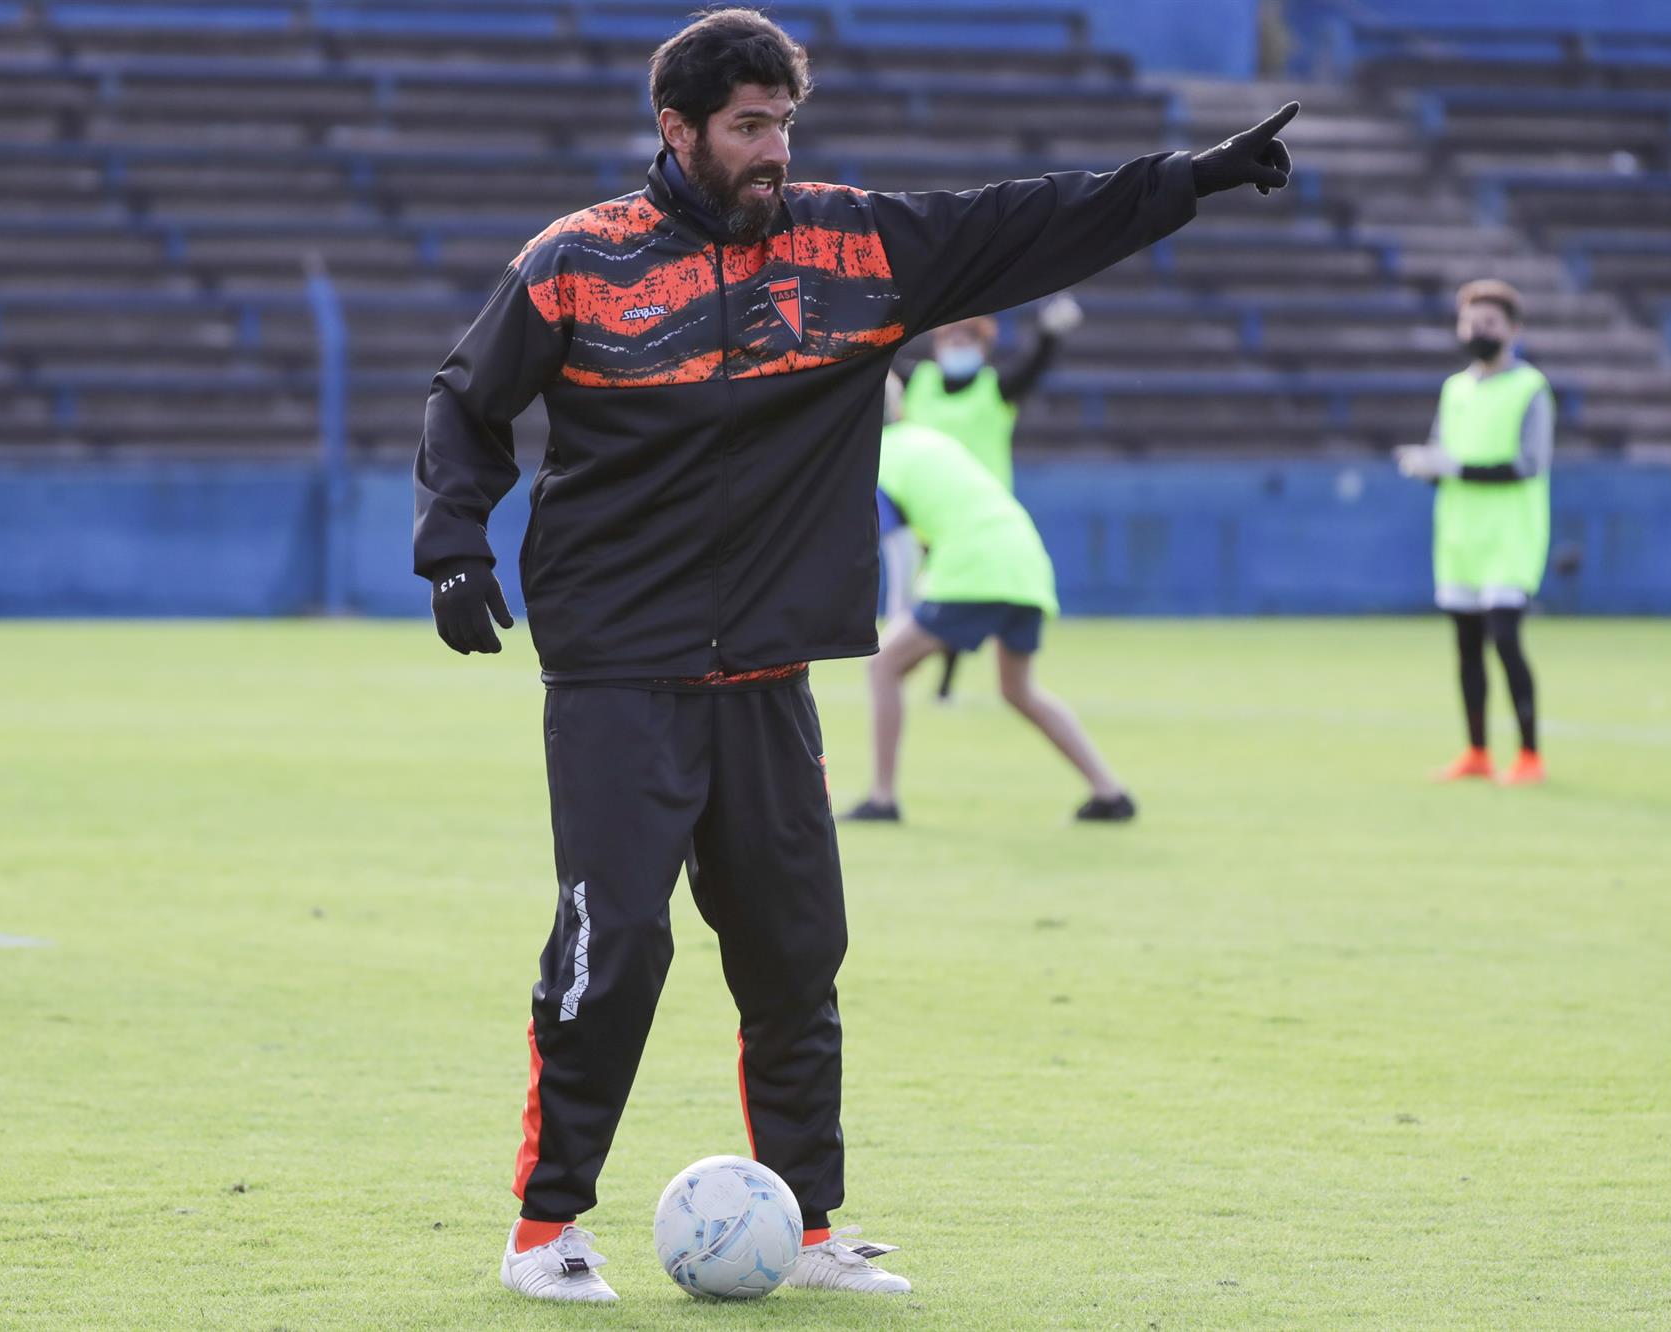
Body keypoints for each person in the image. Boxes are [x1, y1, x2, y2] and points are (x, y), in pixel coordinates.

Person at [412, 6, 1299, 1305]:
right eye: (748, 126)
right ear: (679, 130)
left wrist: (1191, 181)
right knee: (618, 944)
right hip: (616, 669)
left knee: (793, 952)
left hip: (768, 670)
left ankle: (809, 1229)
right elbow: (466, 398)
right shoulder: (577, 263)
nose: (774, 149)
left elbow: (1022, 223)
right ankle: (546, 1231)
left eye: (785, 122)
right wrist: (452, 545)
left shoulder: (855, 244)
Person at [846, 375, 1134, 824]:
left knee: (884, 667)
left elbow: (898, 546)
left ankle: (883, 798)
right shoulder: (927, 440)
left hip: (975, 569)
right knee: (1018, 689)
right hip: (1024, 563)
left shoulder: (881, 459)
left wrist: (898, 617)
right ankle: (1110, 793)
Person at [1395, 278, 1553, 786]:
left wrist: (1454, 467)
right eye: (1470, 323)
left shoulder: (1530, 389)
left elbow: (1528, 465)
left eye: (1489, 324)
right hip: (1460, 536)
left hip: (1510, 535)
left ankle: (1529, 755)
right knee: (1465, 645)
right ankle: (1477, 751)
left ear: (1513, 330)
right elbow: (1444, 453)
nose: (1477, 332)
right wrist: (1427, 465)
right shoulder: (1454, 389)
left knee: (1505, 638)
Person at [902, 295, 1084, 699]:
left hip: (977, 521)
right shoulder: (920, 383)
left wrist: (1049, 335)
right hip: (925, 515)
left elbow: (1032, 370)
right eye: (950, 336)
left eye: (967, 339)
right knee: (933, 594)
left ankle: (940, 680)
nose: (957, 345)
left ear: (984, 348)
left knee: (947, 595)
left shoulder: (993, 390)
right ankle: (935, 675)